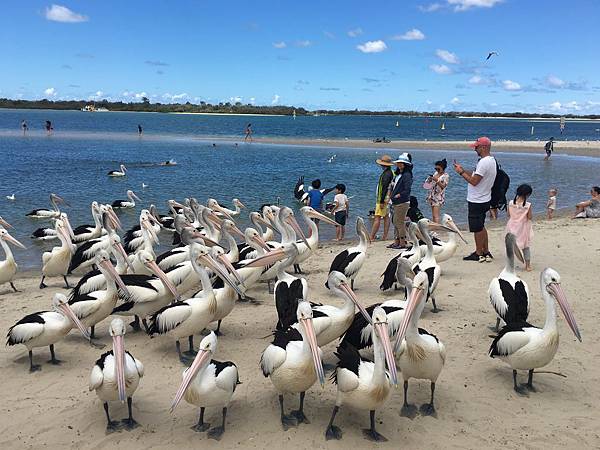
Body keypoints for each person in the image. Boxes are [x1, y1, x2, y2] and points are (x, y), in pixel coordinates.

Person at [453, 136, 497, 262]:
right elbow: (476, 174)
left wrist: (461, 173)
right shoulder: (491, 160)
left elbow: (474, 181)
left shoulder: (483, 162)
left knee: (477, 228)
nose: (475, 149)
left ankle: (478, 253)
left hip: (477, 200)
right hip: (484, 198)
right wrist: (462, 170)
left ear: (483, 147)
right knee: (481, 226)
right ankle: (485, 250)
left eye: (476, 147)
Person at [506, 184, 534, 271]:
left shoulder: (511, 203)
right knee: (525, 246)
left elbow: (508, 215)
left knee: (510, 246)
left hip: (511, 226)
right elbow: (529, 217)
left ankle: (510, 265)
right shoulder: (527, 205)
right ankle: (528, 266)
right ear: (528, 194)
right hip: (523, 227)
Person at [388, 152, 413, 249]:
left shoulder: (407, 175)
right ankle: (396, 242)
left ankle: (402, 243)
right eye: (398, 163)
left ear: (405, 164)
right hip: (395, 202)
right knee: (395, 221)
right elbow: (394, 186)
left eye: (401, 163)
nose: (398, 165)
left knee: (399, 222)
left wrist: (398, 195)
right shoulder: (399, 174)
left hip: (402, 202)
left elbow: (407, 189)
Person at [370, 154, 394, 241]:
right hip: (388, 199)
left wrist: (381, 201)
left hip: (383, 199)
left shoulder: (386, 174)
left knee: (377, 217)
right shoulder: (391, 172)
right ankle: (385, 236)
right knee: (386, 217)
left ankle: (371, 237)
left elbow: (384, 188)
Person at [425, 158, 450, 223]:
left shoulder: (446, 176)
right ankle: (435, 229)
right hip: (432, 196)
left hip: (438, 197)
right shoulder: (435, 173)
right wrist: (429, 180)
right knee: (433, 215)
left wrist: (437, 180)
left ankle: (436, 229)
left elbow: (443, 186)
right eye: (436, 169)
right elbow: (426, 186)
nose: (437, 170)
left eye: (438, 169)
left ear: (443, 168)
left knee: (436, 215)